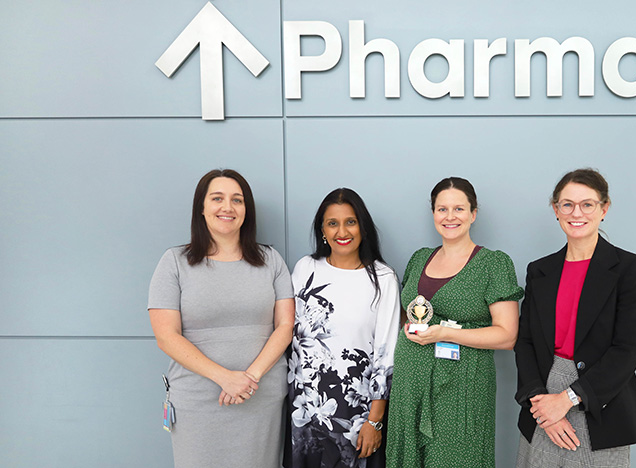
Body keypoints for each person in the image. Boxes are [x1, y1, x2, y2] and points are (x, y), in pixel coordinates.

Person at [148, 169, 295, 468]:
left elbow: (285, 326)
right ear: (201, 208)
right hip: (198, 401)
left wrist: (248, 379)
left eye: (237, 200)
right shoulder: (174, 262)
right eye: (217, 198)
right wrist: (225, 378)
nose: (227, 207)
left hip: (261, 397)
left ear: (246, 210)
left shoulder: (271, 261)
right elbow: (166, 336)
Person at [514, 168, 636, 468]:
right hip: (542, 400)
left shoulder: (629, 268)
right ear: (556, 209)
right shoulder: (540, 271)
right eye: (567, 204)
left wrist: (566, 400)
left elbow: (627, 349)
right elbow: (524, 342)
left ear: (604, 209)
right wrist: (541, 404)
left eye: (587, 204)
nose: (576, 212)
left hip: (601, 402)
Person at [386, 177, 524, 468]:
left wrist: (444, 334)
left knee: (456, 457)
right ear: (433, 214)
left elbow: (507, 335)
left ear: (473, 214)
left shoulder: (493, 264)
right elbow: (405, 314)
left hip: (462, 387)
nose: (450, 217)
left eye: (459, 209)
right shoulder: (419, 258)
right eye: (442, 209)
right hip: (410, 383)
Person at [286, 188, 400, 468]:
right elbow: (287, 333)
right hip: (305, 408)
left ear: (363, 226)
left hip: (356, 413)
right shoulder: (305, 268)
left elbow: (386, 357)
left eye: (350, 221)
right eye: (332, 223)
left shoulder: (383, 279)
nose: (342, 231)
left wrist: (375, 420)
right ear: (322, 230)